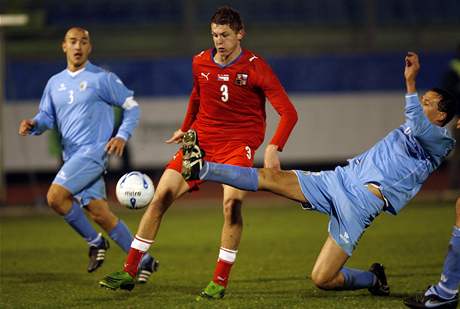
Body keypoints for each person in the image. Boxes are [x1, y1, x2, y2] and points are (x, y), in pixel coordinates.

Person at [179, 52, 457, 298]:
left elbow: (416, 122)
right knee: (270, 178)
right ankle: (203, 167)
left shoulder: (441, 142)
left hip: (360, 205)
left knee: (322, 278)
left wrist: (410, 82)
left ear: (442, 115)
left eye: (427, 102)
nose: (421, 105)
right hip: (340, 179)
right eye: (421, 100)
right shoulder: (418, 126)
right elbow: (414, 121)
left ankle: (374, 278)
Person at [99, 6, 298, 297]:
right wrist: (185, 128)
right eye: (215, 34)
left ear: (240, 34)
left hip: (236, 147)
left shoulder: (256, 67)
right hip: (200, 143)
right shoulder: (200, 62)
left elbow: (289, 113)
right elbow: (197, 96)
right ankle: (129, 271)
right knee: (160, 198)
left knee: (232, 207)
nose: (219, 41)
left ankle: (219, 280)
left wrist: (273, 147)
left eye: (225, 35)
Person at [18, 27, 158, 282]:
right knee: (100, 214)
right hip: (72, 156)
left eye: (83, 42)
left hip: (93, 153)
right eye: (73, 42)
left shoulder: (101, 78)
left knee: (55, 197)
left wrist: (122, 135)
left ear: (89, 48)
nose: (78, 46)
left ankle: (95, 243)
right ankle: (145, 260)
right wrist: (34, 124)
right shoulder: (55, 83)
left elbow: (131, 107)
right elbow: (47, 116)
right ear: (64, 46)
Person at [442, 43, 460, 190]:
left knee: (458, 154)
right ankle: (454, 186)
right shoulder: (454, 71)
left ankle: (454, 187)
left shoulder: (452, 71)